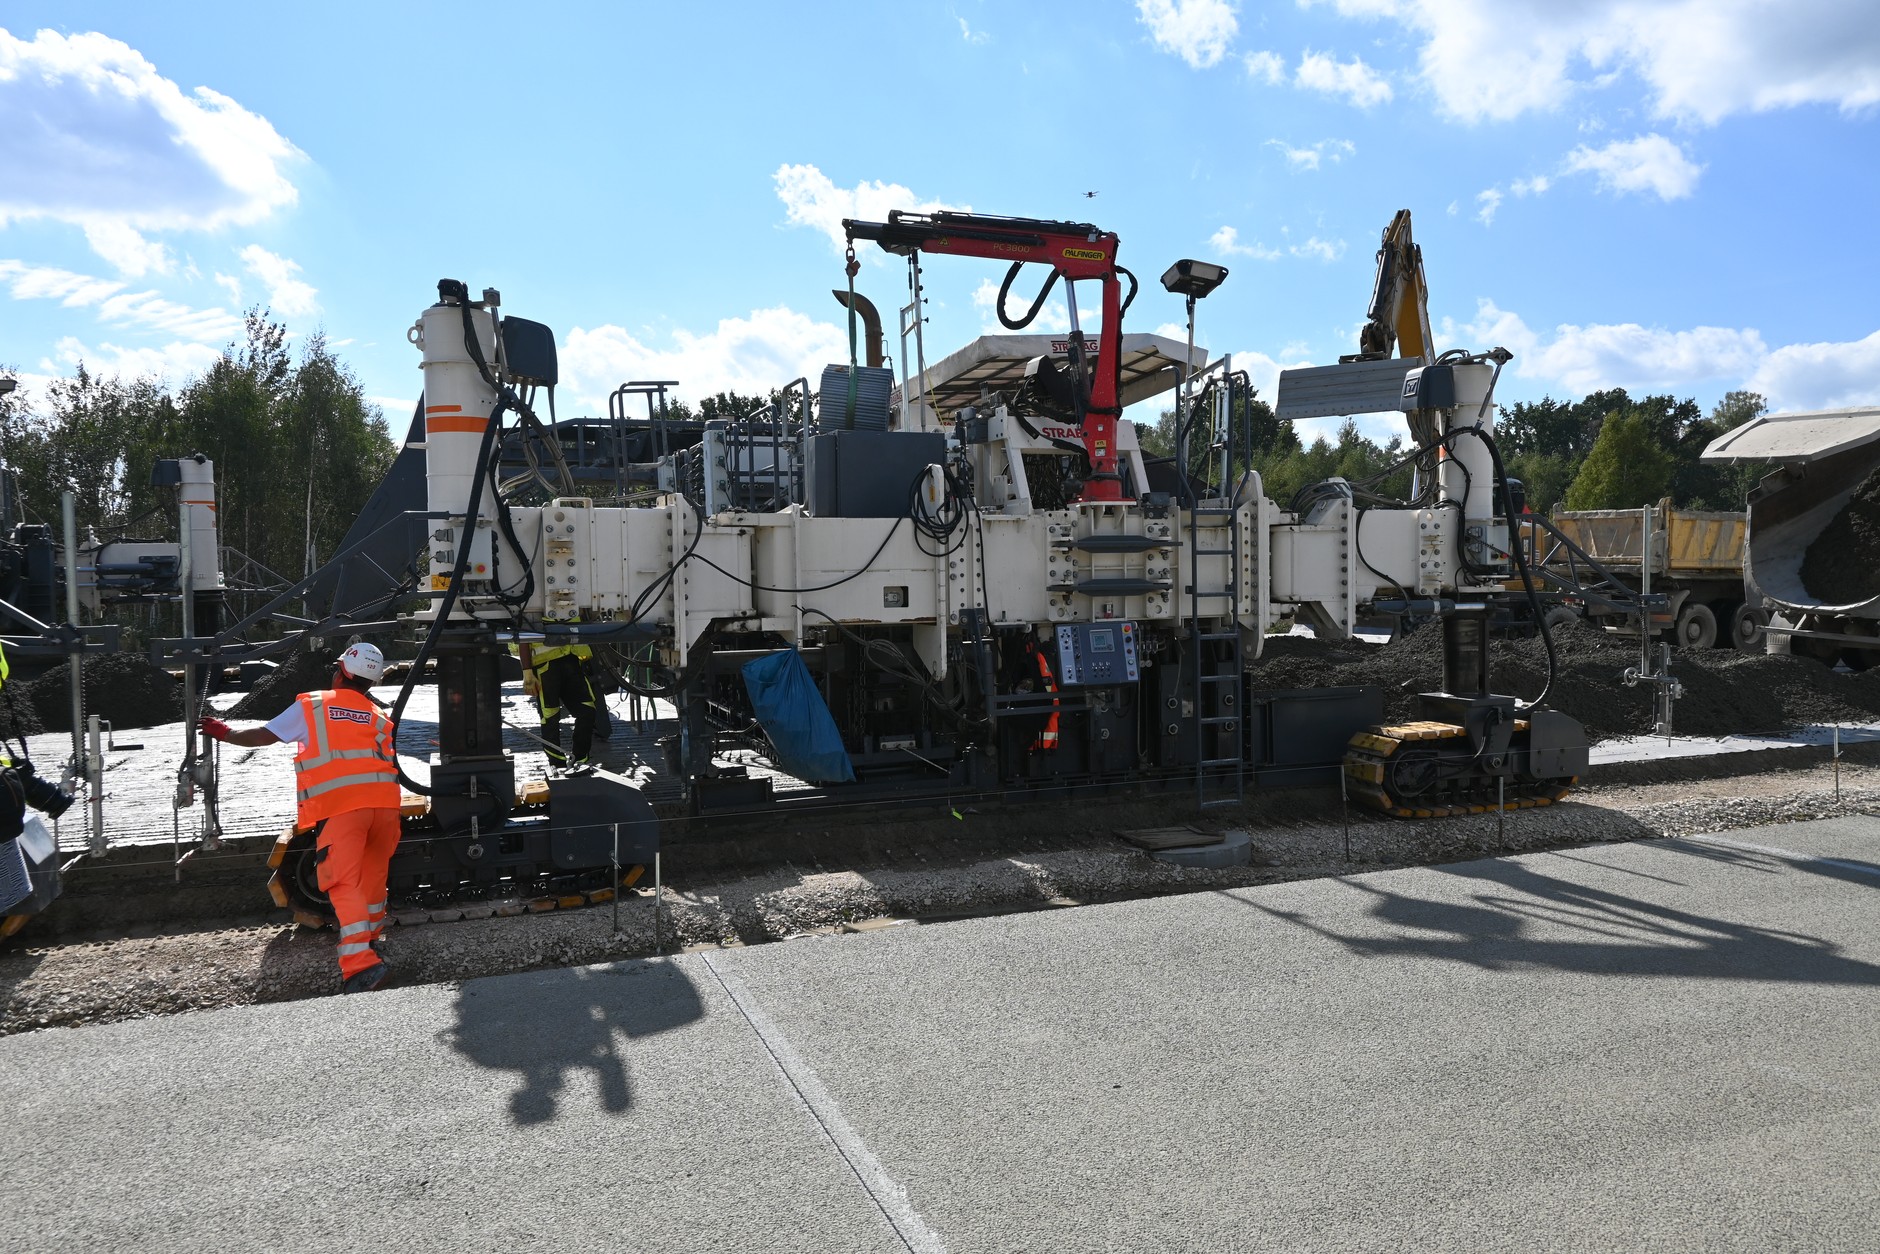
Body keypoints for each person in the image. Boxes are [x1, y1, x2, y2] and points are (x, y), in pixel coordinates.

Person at [202, 642, 400, 994]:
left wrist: (224, 732)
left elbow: (263, 736)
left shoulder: (315, 704)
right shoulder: (378, 714)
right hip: (385, 806)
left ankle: (361, 965)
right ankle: (371, 940)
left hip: (343, 806)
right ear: (370, 681)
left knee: (342, 881)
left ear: (341, 672)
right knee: (373, 876)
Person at [512, 613, 599, 773]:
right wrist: (527, 672)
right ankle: (557, 764)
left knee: (587, 711)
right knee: (550, 717)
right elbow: (523, 635)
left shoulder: (573, 603)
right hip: (546, 669)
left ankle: (580, 760)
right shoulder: (532, 605)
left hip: (572, 663)